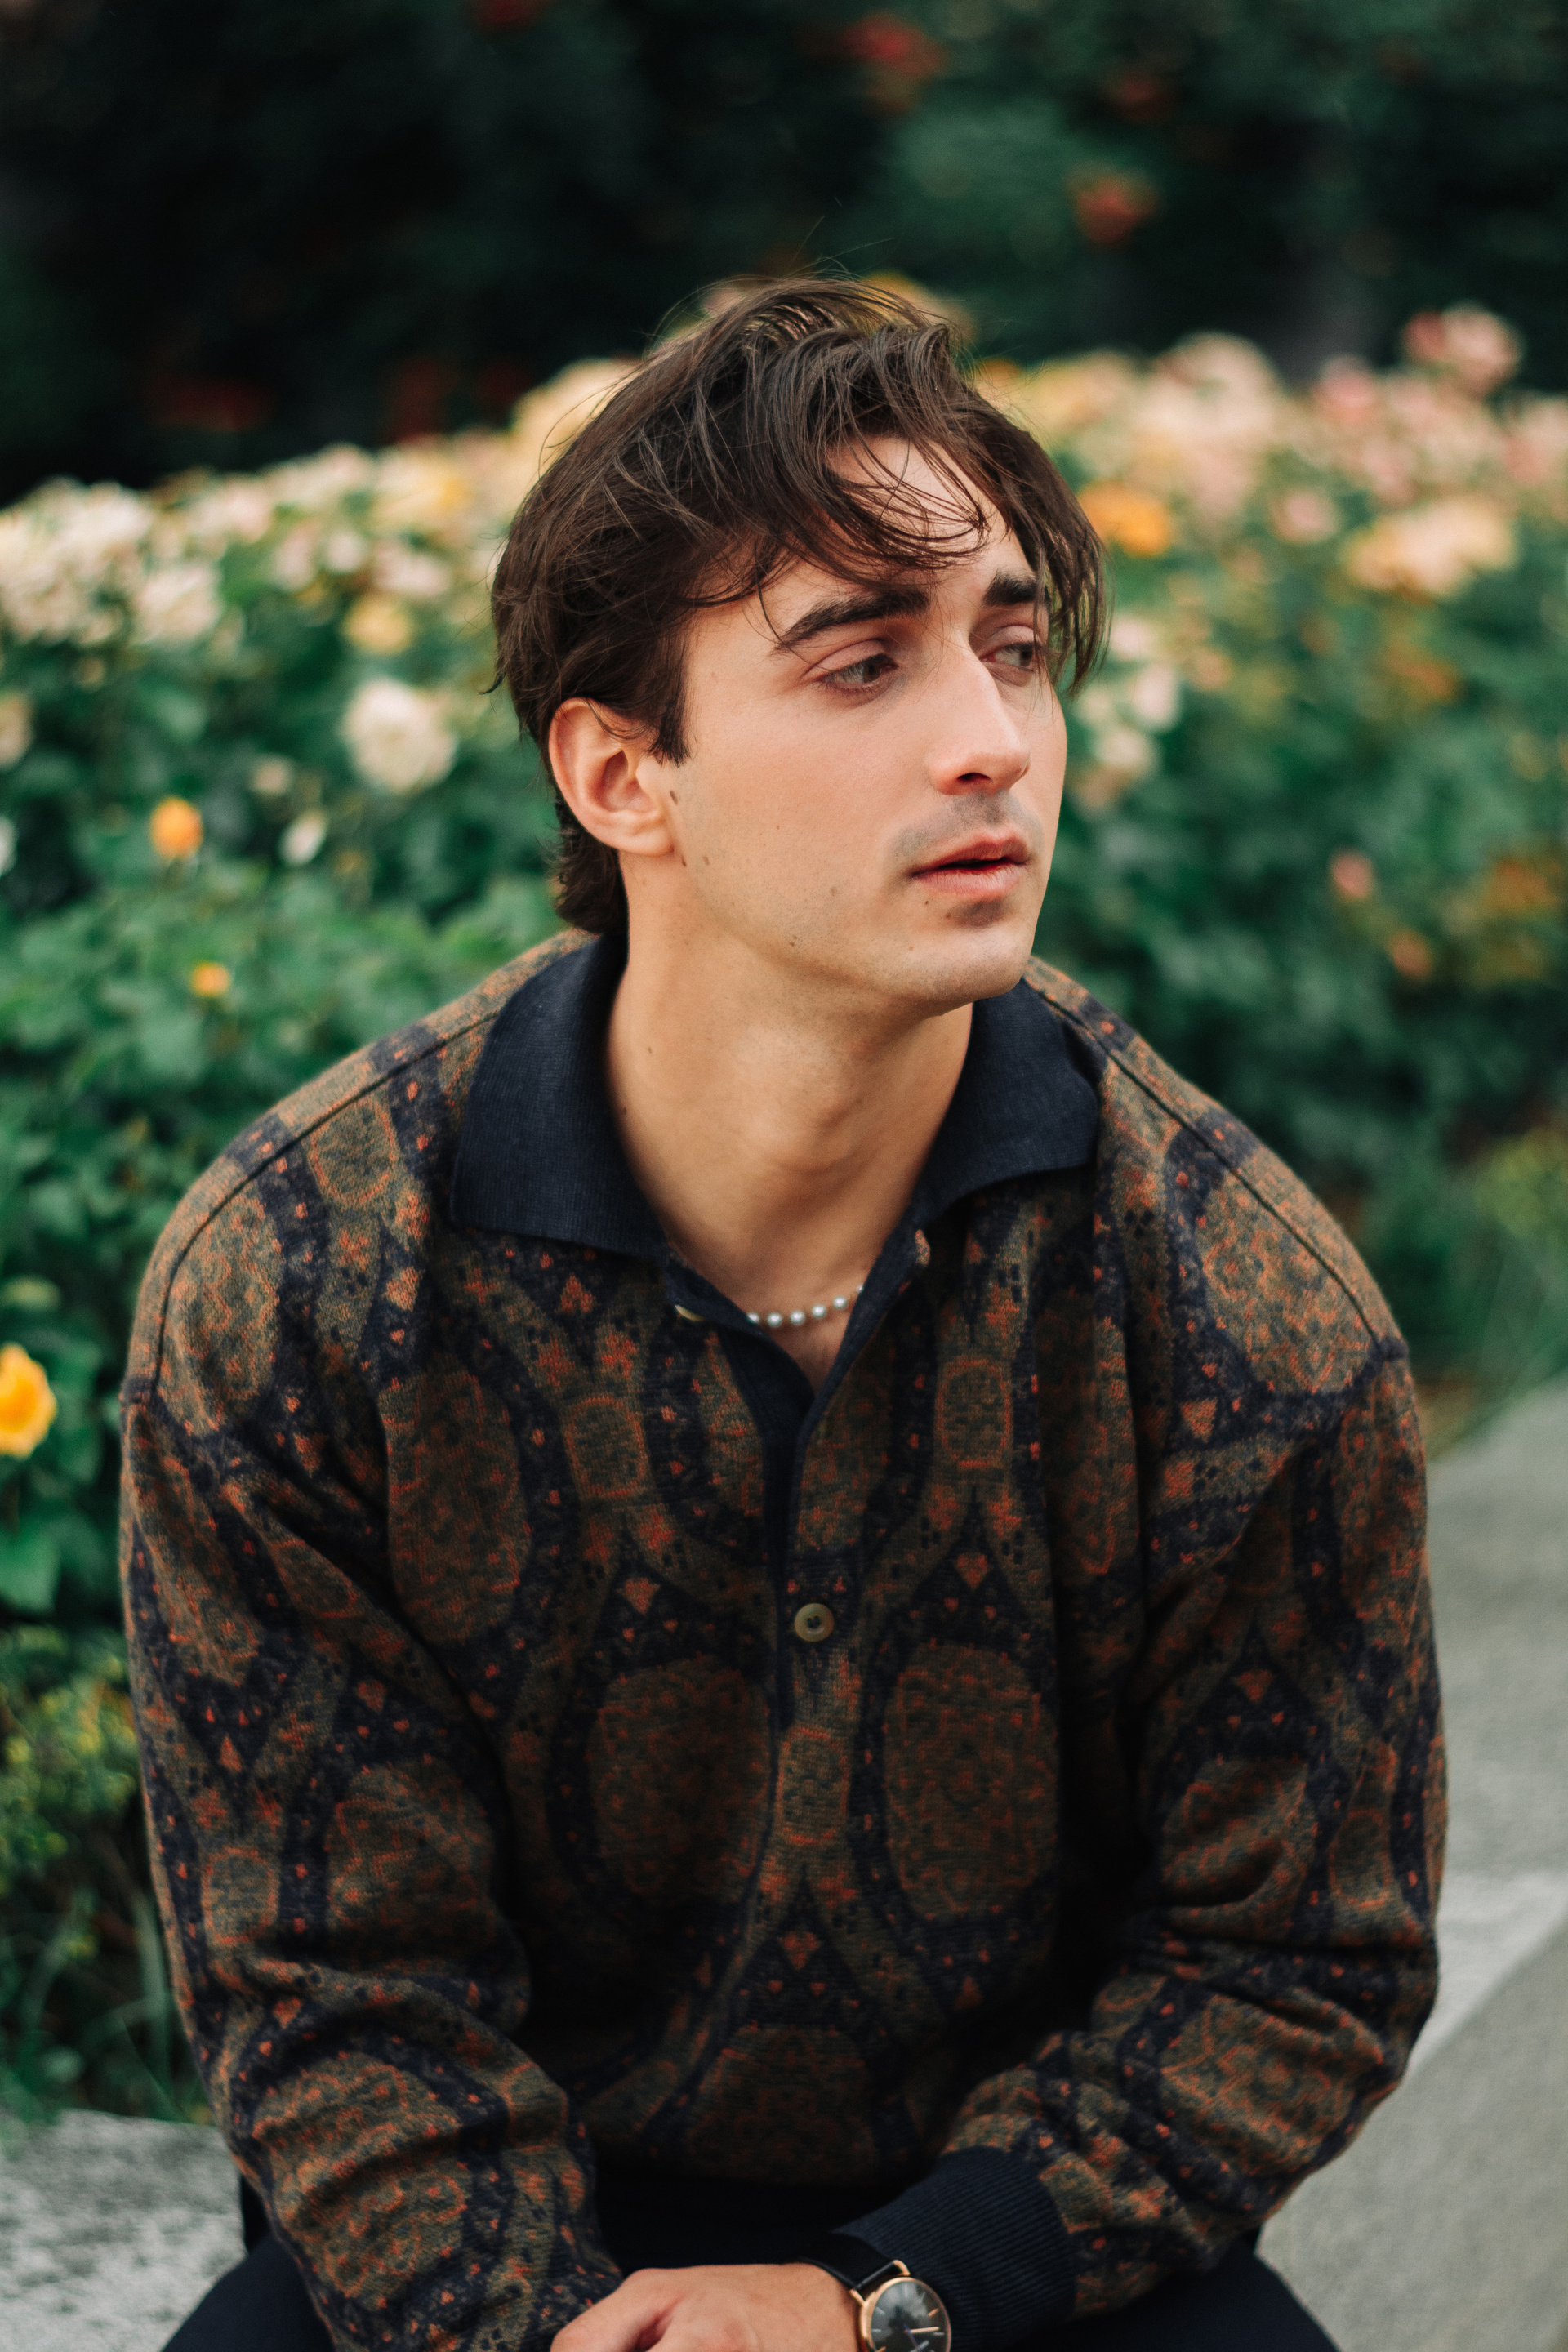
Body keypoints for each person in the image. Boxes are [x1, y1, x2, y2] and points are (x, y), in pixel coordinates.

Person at [123, 280, 1443, 2352]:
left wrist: (876, 2301)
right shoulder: (302, 1286)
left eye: (1013, 647)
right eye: (861, 661)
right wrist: (551, 2325)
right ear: (621, 773)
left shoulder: (1238, 1308)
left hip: (1007, 2260)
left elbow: (1292, 1957)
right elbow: (329, 1986)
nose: (990, 736)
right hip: (488, 2255)